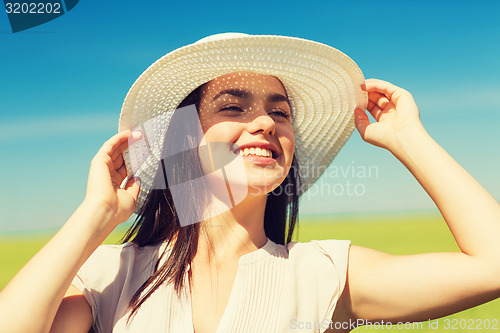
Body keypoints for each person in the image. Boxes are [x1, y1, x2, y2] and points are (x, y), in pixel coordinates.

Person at [0, 33, 499, 333]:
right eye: (233, 107)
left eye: (279, 113)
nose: (265, 124)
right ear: (182, 138)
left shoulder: (326, 273)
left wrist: (409, 138)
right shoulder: (110, 275)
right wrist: (96, 216)